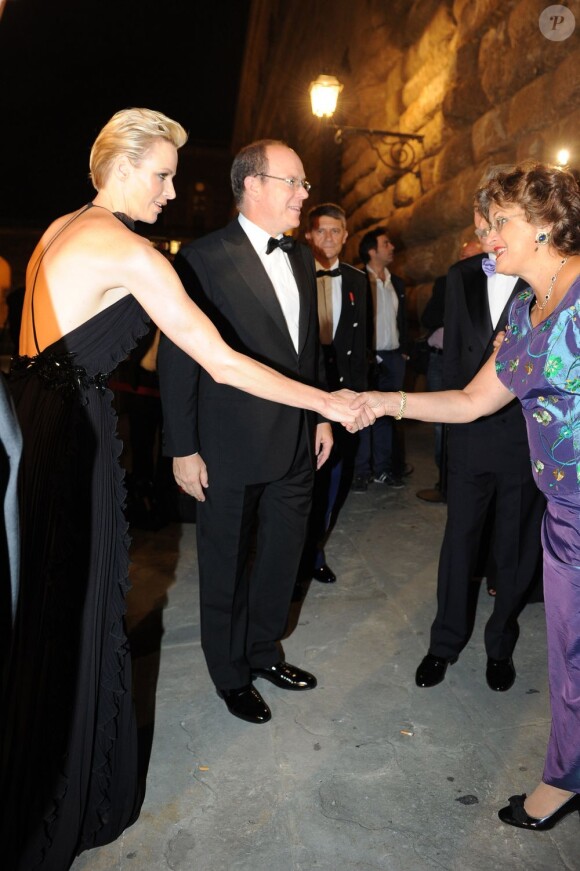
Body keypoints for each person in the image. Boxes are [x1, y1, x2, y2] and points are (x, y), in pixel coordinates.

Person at [0, 110, 362, 871]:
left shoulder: (60, 228)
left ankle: (33, 769)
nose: (173, 190)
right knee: (82, 605)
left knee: (42, 604)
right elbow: (219, 360)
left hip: (29, 422)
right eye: (164, 173)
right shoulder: (131, 250)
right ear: (125, 167)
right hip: (74, 438)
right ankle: (61, 791)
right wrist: (326, 402)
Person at [350, 161, 580, 830]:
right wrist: (385, 401)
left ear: (544, 224)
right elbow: (474, 398)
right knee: (567, 657)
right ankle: (566, 773)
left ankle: (560, 781)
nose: (487, 238)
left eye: (499, 223)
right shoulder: (526, 313)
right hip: (564, 518)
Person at [158, 140, 342, 726]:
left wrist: (319, 417)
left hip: (295, 440)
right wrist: (183, 448)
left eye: (304, 184)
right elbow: (178, 361)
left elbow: (304, 350)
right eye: (294, 182)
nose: (303, 195)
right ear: (254, 185)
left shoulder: (299, 256)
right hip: (227, 445)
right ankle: (229, 672)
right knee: (226, 563)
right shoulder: (200, 259)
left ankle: (264, 652)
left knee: (282, 558)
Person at [414, 209, 545, 693]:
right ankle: (443, 644)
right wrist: (448, 434)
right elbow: (451, 361)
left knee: (513, 547)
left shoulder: (539, 281)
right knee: (459, 543)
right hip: (468, 434)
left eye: (497, 225)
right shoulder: (459, 275)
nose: (488, 236)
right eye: (481, 227)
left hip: (521, 436)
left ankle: (500, 646)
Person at [302, 202, 367, 584]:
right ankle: (291, 555)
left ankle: (315, 553)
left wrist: (361, 397)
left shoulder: (358, 280)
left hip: (345, 395)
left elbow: (359, 345)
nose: (328, 238)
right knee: (303, 477)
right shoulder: (293, 275)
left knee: (334, 477)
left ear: (345, 236)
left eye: (335, 231)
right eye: (320, 231)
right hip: (304, 390)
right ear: (309, 235)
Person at [352, 227, 409, 491]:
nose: (392, 247)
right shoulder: (356, 278)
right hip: (367, 358)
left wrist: (404, 351)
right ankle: (360, 471)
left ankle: (384, 470)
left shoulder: (396, 282)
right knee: (362, 414)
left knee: (388, 415)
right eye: (386, 244)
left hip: (393, 357)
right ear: (372, 250)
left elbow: (403, 320)